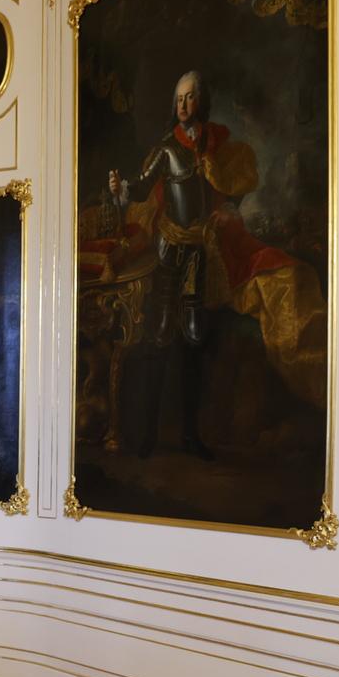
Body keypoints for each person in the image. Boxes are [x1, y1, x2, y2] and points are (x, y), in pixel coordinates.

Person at [107, 70, 260, 460]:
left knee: (194, 338)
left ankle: (191, 436)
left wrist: (228, 208)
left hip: (200, 250)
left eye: (189, 97)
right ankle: (146, 437)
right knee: (159, 336)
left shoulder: (215, 146)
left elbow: (234, 184)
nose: (183, 105)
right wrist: (120, 189)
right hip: (169, 249)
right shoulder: (166, 148)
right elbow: (141, 186)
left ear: (200, 101)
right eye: (178, 99)